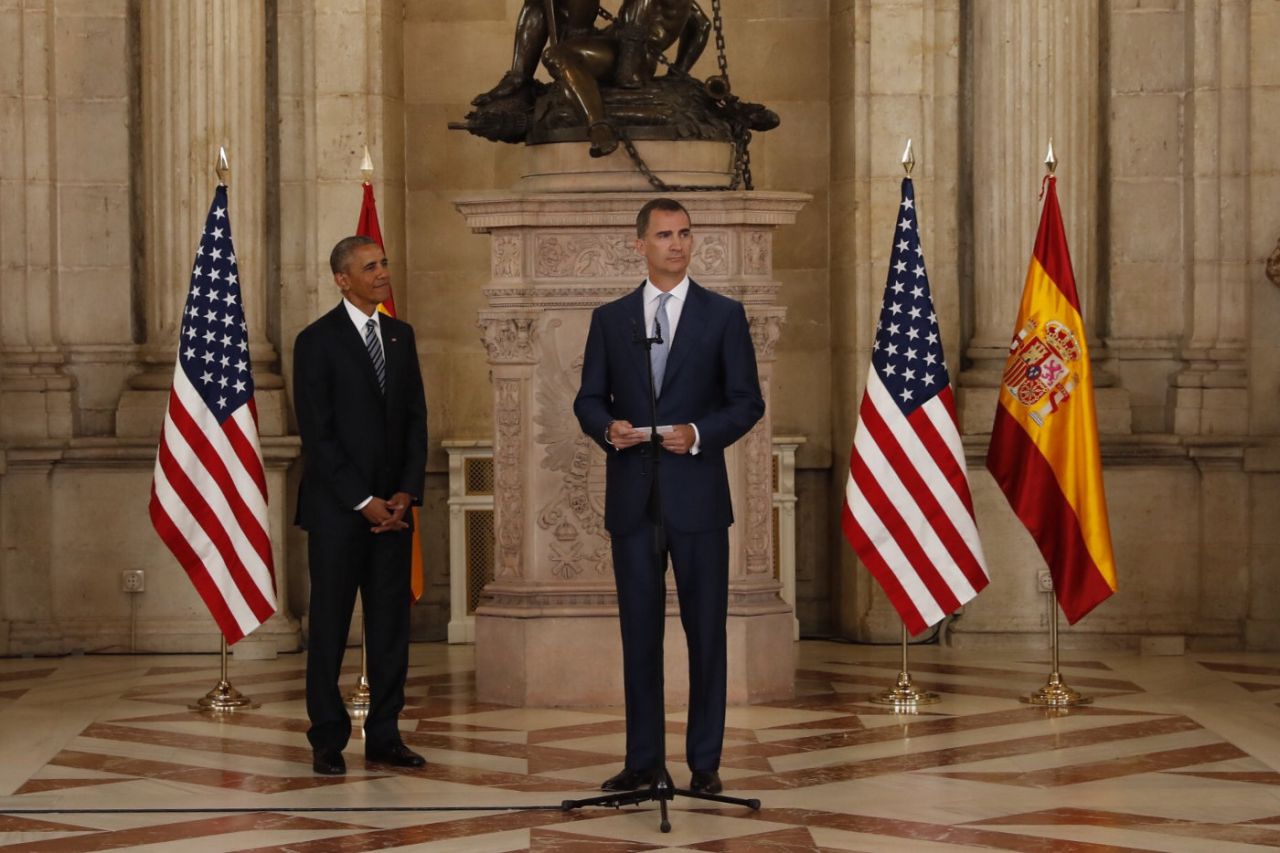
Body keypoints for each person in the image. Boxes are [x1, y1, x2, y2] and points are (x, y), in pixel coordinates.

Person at [573, 198, 764, 796]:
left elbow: (746, 401)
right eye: (663, 235)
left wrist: (700, 434)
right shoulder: (611, 318)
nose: (676, 244)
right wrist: (608, 429)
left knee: (706, 631)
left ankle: (704, 763)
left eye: (684, 233)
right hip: (634, 498)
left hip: (698, 497)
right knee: (640, 634)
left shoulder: (724, 315)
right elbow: (587, 399)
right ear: (640, 245)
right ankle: (642, 761)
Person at [293, 236, 428, 776]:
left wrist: (404, 492)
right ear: (342, 280)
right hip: (337, 512)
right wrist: (363, 500)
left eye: (384, 263)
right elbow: (319, 435)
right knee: (329, 625)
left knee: (391, 626)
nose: (381, 273)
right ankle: (328, 738)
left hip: (395, 512)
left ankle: (385, 734)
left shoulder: (400, 335)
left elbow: (416, 419)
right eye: (369, 267)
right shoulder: (316, 341)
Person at [543, 0, 711, 156]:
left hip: (628, 54)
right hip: (626, 48)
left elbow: (636, 18)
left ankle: (598, 126)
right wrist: (679, 72)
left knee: (556, 55)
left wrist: (628, 69)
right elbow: (702, 25)